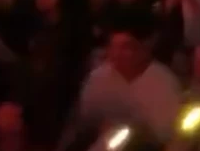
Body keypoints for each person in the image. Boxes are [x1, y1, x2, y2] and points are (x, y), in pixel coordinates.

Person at [68, 16, 182, 145]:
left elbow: (166, 135)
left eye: (126, 47)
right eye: (113, 47)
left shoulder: (163, 82)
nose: (117, 54)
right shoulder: (98, 78)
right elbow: (84, 120)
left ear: (145, 47)